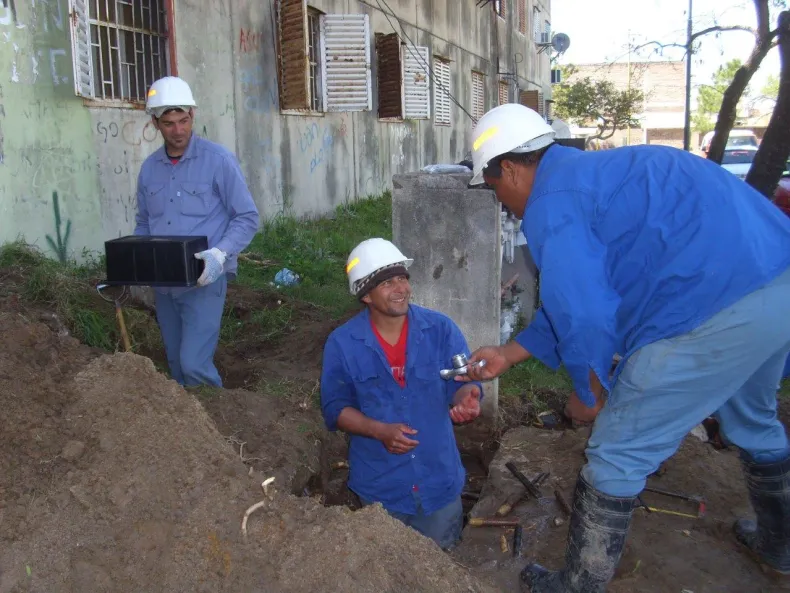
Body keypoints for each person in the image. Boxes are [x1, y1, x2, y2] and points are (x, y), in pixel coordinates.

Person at [459, 103, 790, 591]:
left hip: (710, 306)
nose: (503, 204)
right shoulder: (598, 175)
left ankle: (578, 584)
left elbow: (585, 312)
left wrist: (589, 393)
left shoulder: (552, 201)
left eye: (494, 191)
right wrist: (511, 353)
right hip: (774, 283)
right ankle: (778, 548)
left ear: (509, 168)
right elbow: (579, 293)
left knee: (615, 452)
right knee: (752, 418)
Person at [320, 238, 483, 550]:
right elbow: (335, 407)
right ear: (365, 294)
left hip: (439, 485)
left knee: (443, 569)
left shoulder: (440, 329)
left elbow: (463, 381)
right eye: (386, 282)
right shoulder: (343, 344)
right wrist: (378, 430)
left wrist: (468, 397)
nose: (400, 288)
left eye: (402, 278)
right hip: (382, 491)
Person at [134, 76, 259, 387]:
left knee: (193, 363)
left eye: (183, 120)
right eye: (169, 123)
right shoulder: (149, 169)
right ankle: (187, 432)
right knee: (175, 362)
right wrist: (136, 264)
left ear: (192, 115)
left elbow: (246, 216)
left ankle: (217, 427)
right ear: (155, 123)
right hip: (165, 284)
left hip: (205, 279)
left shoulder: (217, 161)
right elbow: (144, 222)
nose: (178, 131)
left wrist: (221, 253)